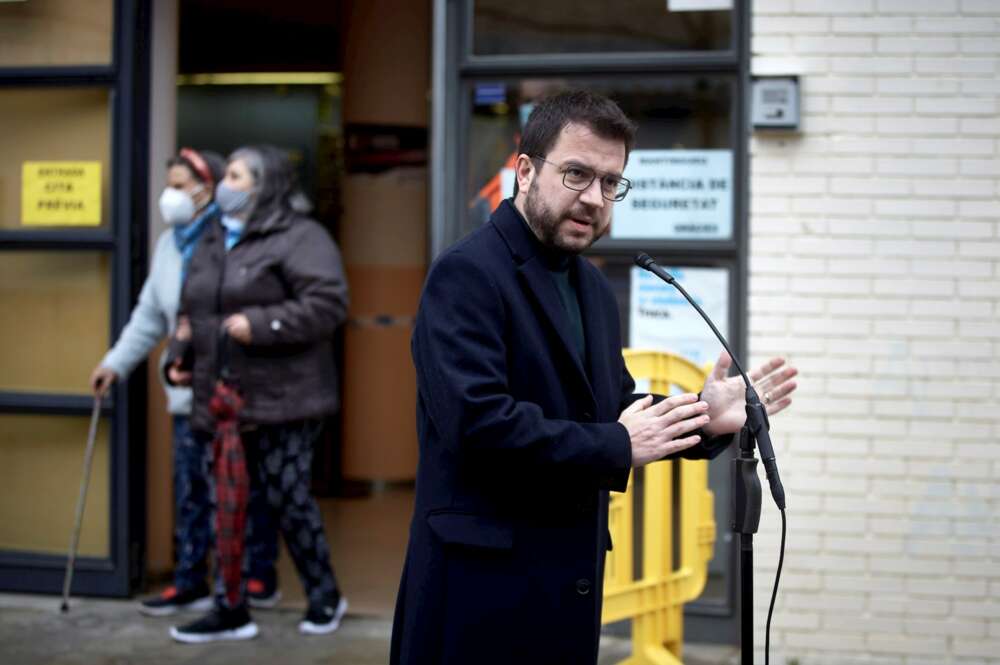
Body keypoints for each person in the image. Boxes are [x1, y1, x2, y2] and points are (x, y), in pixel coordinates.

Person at [390, 90, 798, 664]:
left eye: (611, 183)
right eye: (577, 174)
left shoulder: (591, 287)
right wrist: (617, 444)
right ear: (526, 171)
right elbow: (477, 423)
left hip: (566, 585)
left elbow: (611, 406)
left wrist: (704, 417)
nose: (594, 199)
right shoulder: (468, 273)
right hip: (479, 593)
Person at [166, 145, 350, 643]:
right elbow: (193, 308)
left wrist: (261, 324)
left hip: (286, 397)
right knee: (224, 499)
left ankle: (324, 594)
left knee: (287, 496)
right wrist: (179, 356)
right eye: (227, 174)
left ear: (266, 184)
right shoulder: (211, 236)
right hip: (221, 396)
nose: (228, 183)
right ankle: (231, 609)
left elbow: (328, 303)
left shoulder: (301, 237)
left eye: (239, 175)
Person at [89, 148, 280, 616]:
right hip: (184, 393)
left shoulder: (227, 237)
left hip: (231, 393)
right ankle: (191, 578)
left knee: (243, 490)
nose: (170, 196)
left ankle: (252, 578)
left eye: (180, 185)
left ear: (207, 187)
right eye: (169, 185)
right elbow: (151, 315)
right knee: (191, 491)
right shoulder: (168, 245)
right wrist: (115, 363)